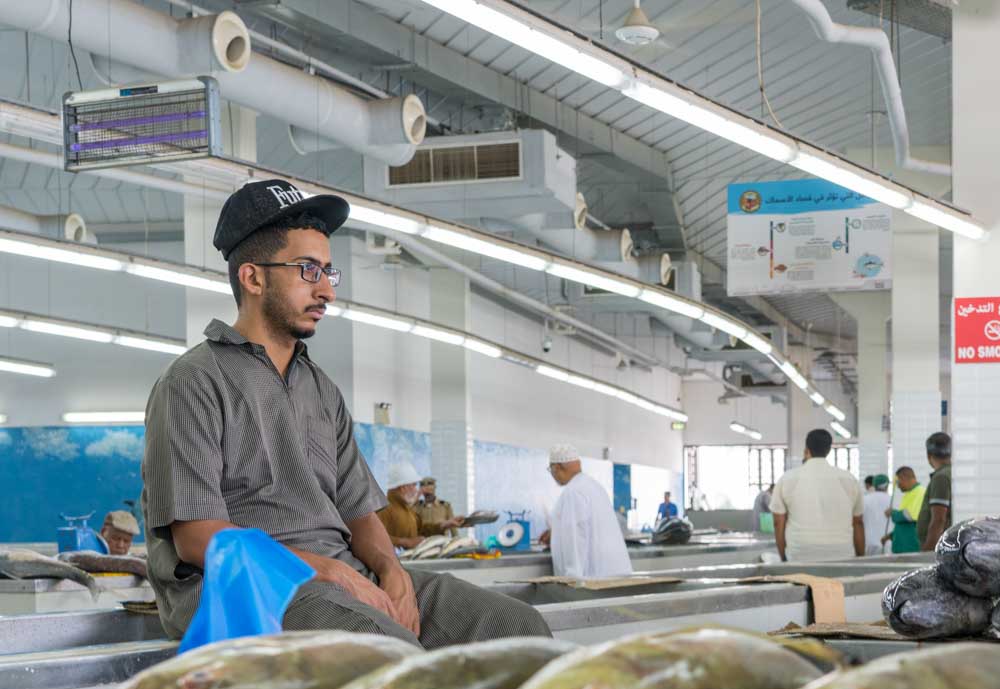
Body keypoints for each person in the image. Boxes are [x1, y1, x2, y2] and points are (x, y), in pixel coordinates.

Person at [140, 179, 548, 645]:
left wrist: (391, 570)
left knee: (519, 630)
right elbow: (197, 538)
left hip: (341, 578)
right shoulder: (194, 382)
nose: (327, 292)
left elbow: (359, 513)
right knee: (385, 647)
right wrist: (328, 571)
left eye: (328, 273)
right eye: (308, 270)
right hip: (248, 590)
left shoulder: (321, 390)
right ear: (253, 278)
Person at [538, 444, 632, 579]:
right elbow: (587, 526)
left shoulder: (573, 492)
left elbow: (575, 538)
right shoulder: (592, 486)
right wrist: (557, 532)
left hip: (593, 579)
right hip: (613, 573)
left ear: (557, 467)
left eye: (550, 469)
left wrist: (572, 579)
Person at [770, 429, 864, 561]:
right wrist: (861, 559)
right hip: (841, 553)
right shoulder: (849, 479)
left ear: (807, 449)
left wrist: (783, 557)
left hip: (800, 553)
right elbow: (858, 523)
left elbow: (778, 522)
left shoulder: (787, 479)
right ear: (829, 450)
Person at [377, 462, 452, 550]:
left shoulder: (406, 510)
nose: (416, 490)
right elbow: (374, 537)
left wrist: (444, 525)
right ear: (403, 487)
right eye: (414, 485)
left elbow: (420, 530)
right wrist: (405, 542)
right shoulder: (384, 510)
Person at [917, 431, 953, 551]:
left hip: (939, 548)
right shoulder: (951, 473)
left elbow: (938, 519)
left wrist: (927, 553)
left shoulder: (941, 477)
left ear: (929, 455)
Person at [885, 466, 925, 554]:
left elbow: (909, 516)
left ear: (904, 478)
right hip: (902, 547)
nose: (898, 486)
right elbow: (904, 524)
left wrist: (893, 513)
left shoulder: (920, 492)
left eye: (898, 482)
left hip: (910, 547)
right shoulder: (908, 494)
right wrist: (891, 535)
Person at [862, 475, 891, 556]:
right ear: (887, 485)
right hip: (887, 544)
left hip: (869, 543)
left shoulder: (865, 500)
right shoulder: (892, 500)